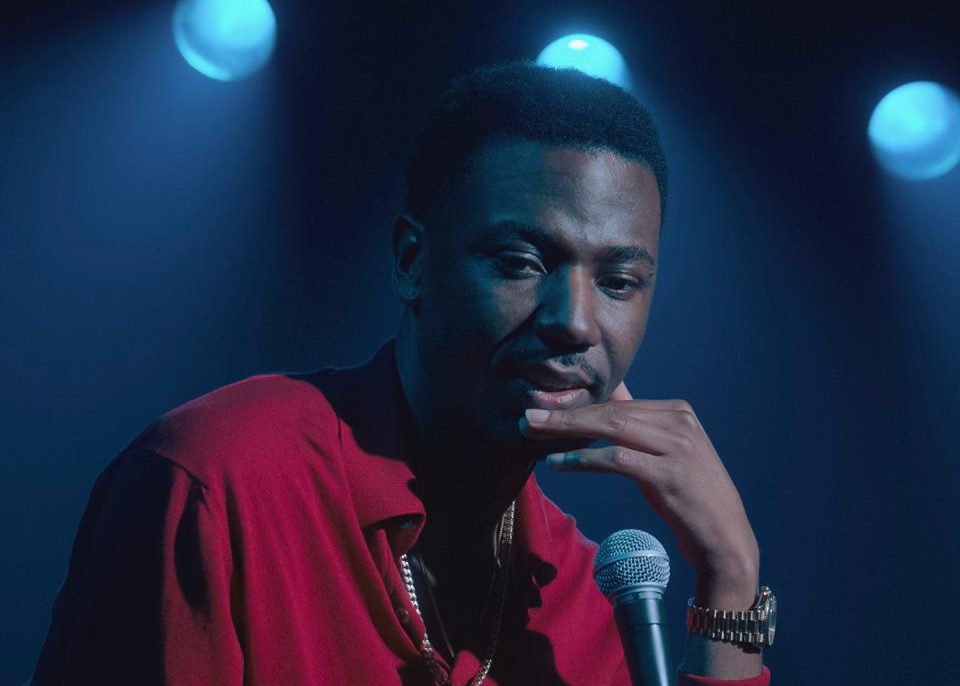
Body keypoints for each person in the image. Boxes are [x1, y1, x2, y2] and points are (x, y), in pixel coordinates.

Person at [32, 61, 773, 685]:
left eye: (619, 281)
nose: (574, 321)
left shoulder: (588, 598)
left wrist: (730, 577)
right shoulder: (219, 480)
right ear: (413, 262)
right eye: (520, 263)